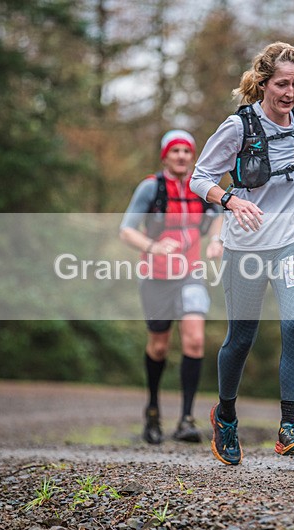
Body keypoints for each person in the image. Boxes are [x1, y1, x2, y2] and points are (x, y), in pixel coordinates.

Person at [190, 42, 294, 465]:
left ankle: (289, 427)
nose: (290, 93)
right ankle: (226, 415)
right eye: (282, 84)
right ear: (264, 83)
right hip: (246, 244)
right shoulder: (238, 127)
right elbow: (200, 177)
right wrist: (231, 200)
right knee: (241, 339)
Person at [120, 129, 222, 445]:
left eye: (186, 152)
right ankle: (152, 411)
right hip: (155, 275)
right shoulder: (151, 188)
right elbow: (126, 230)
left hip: (191, 273)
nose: (181, 157)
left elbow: (220, 214)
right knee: (159, 345)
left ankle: (187, 420)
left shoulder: (202, 187)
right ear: (165, 156)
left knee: (194, 339)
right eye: (175, 151)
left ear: (193, 157)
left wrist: (216, 240)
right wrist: (153, 247)